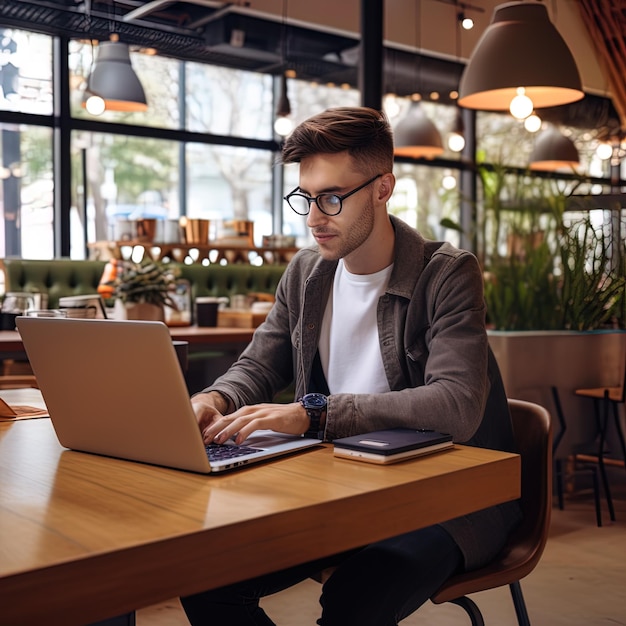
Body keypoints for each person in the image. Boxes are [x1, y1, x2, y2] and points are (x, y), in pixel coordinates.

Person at [181, 106, 522, 626]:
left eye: (332, 198)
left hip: (450, 497)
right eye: (305, 198)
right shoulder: (305, 274)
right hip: (342, 492)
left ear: (383, 188)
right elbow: (258, 364)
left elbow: (456, 405)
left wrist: (313, 413)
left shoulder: (447, 274)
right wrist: (213, 399)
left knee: (354, 599)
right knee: (201, 576)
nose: (315, 217)